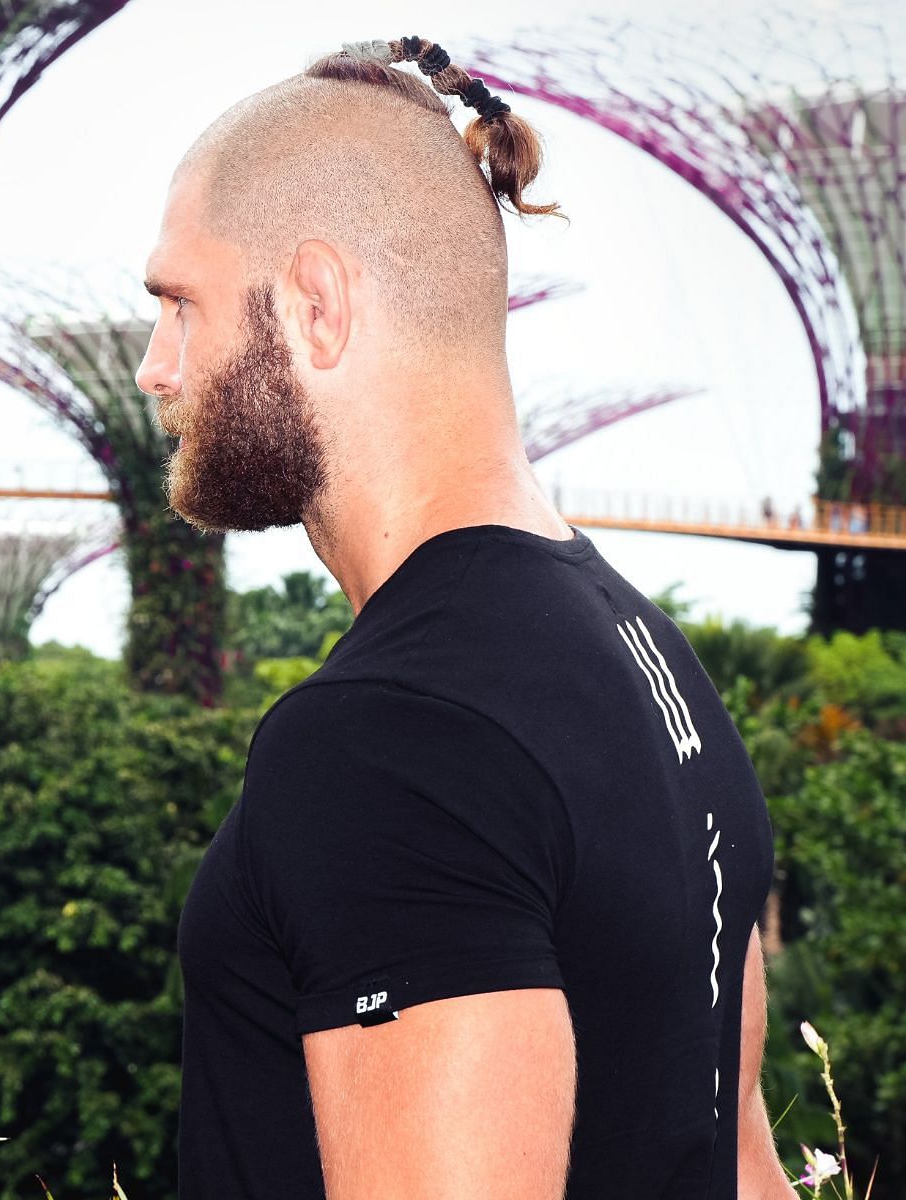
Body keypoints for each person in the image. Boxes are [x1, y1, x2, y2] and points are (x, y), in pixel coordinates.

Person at [137, 36, 791, 1200]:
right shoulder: (655, 663)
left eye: (181, 305)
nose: (155, 367)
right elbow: (746, 1171)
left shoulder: (388, 734)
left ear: (317, 306)